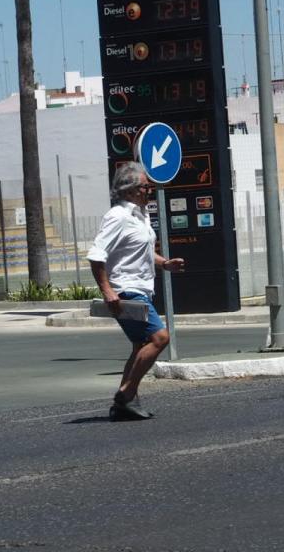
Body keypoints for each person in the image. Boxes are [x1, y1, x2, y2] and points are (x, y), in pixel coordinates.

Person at [88, 162, 185, 421]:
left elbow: (142, 251)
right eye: (145, 186)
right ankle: (127, 392)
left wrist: (164, 263)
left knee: (140, 345)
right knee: (160, 339)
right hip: (126, 291)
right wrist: (108, 291)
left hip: (141, 288)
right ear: (130, 190)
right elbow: (96, 255)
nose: (149, 190)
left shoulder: (140, 216)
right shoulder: (117, 216)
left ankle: (124, 404)